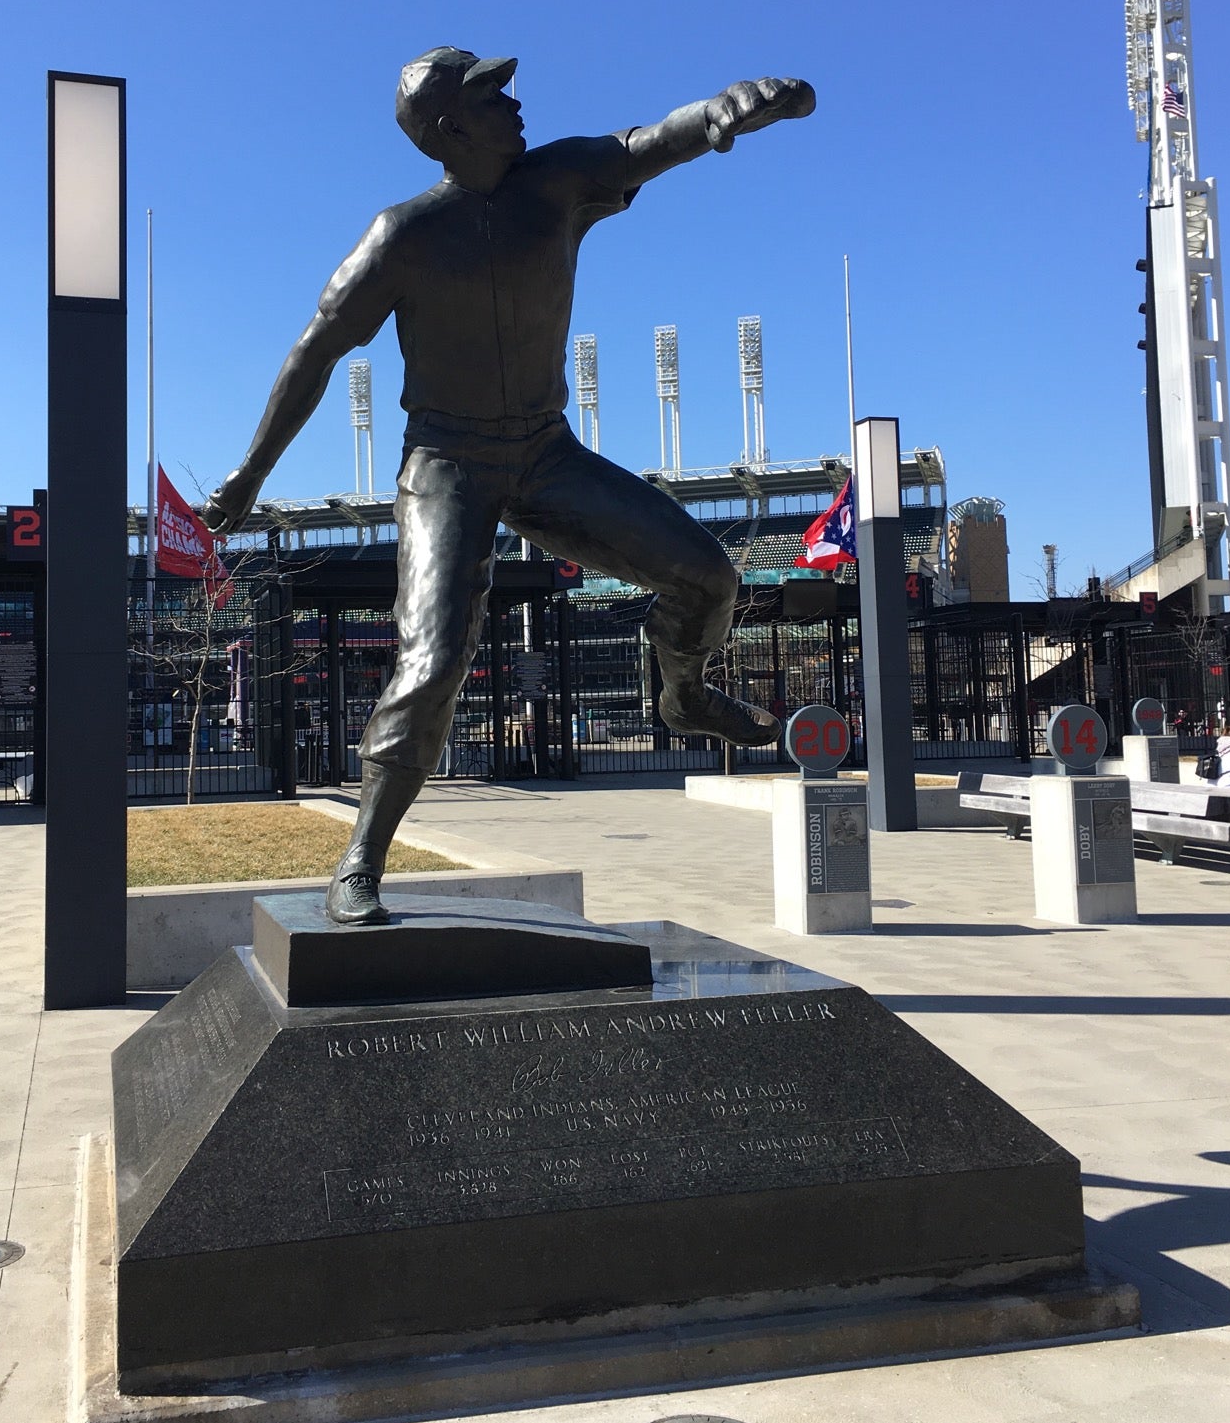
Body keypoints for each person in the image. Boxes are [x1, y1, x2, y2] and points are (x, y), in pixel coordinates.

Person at [202, 47, 816, 922]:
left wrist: (722, 109)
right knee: (434, 657)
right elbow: (316, 352)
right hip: (447, 463)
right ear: (450, 129)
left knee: (710, 578)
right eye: (493, 97)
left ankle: (680, 695)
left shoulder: (557, 180)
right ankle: (361, 862)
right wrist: (248, 476)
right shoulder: (403, 235)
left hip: (544, 452)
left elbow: (646, 144)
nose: (515, 103)